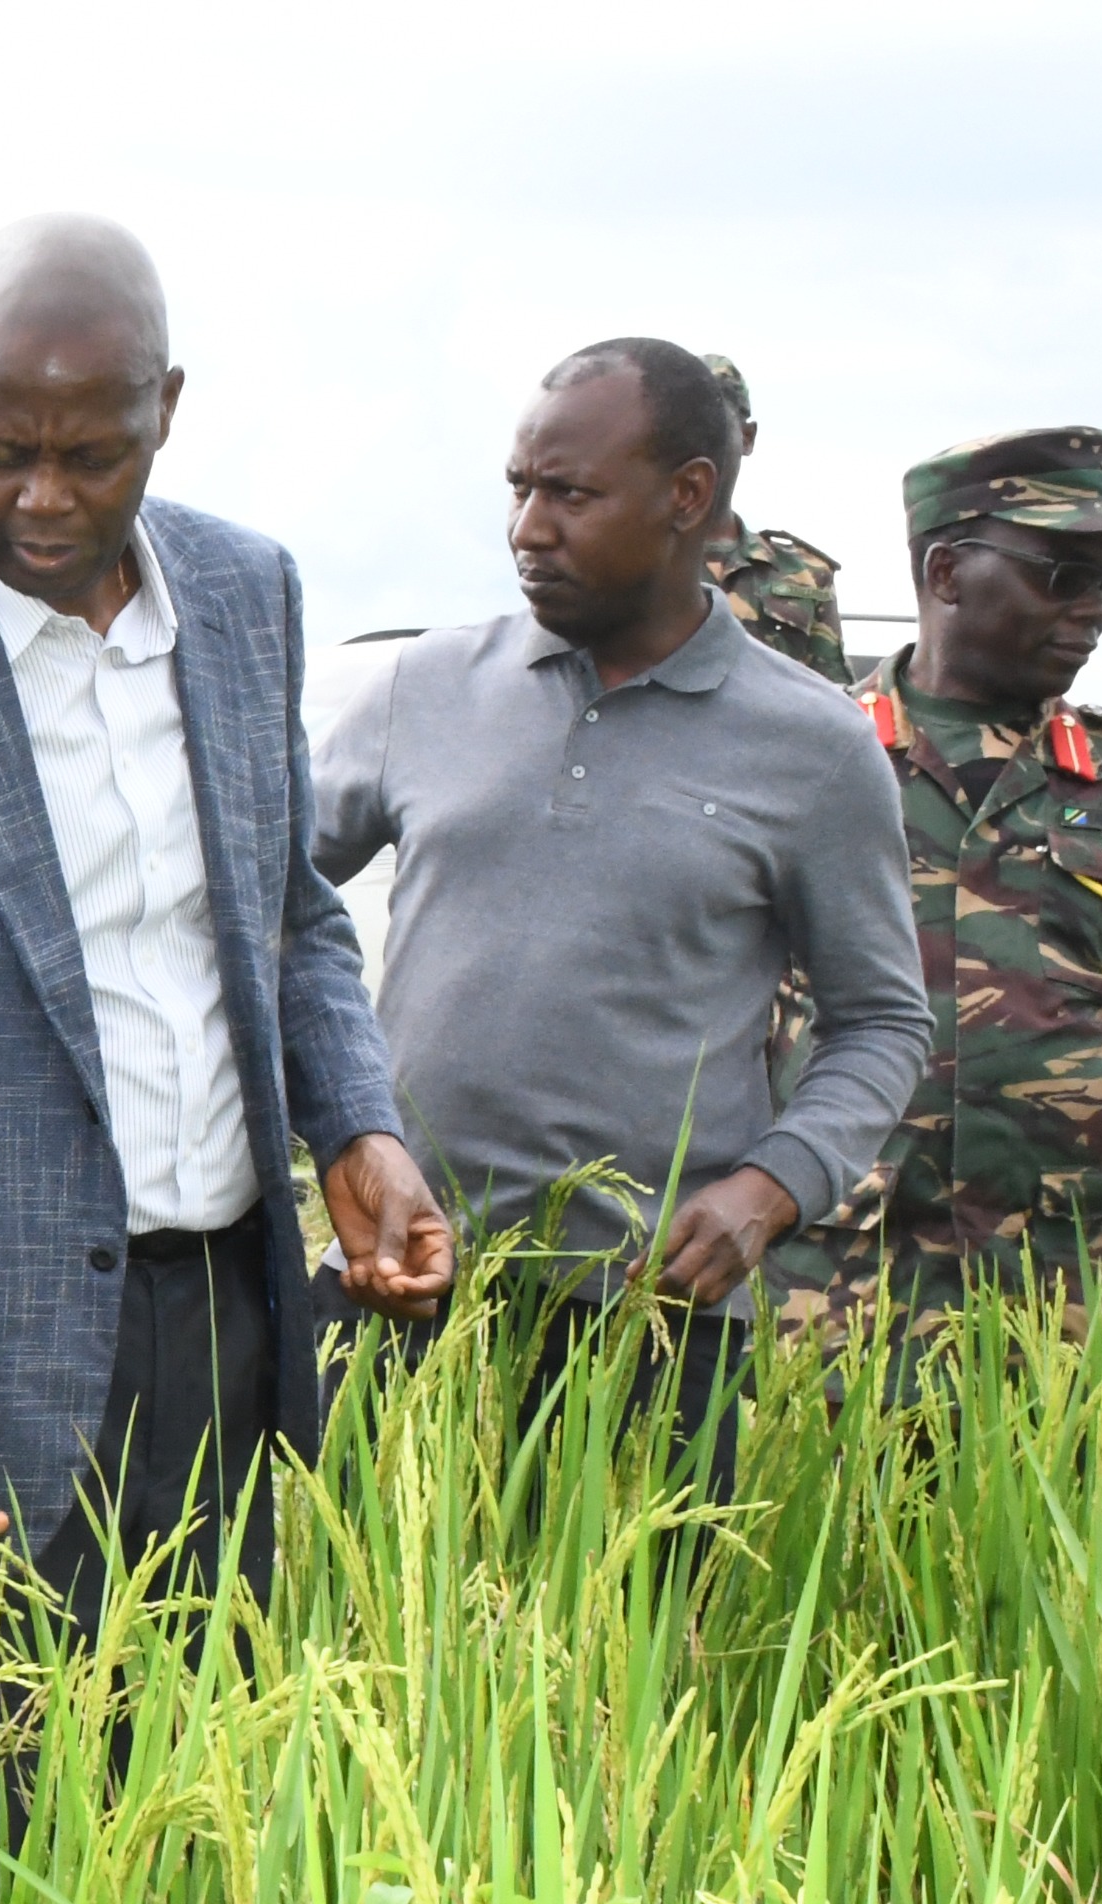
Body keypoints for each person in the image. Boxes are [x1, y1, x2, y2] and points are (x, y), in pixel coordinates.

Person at [0, 214, 454, 1646]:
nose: (40, 498)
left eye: (92, 455)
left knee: (203, 1782)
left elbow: (293, 914)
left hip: (231, 1322)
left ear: (167, 411)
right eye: (1, 449)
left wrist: (358, 1125)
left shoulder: (248, 598)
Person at [312, 338, 929, 1495]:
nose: (526, 528)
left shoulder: (811, 747)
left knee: (619, 1661)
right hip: (399, 1290)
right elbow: (266, 910)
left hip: (648, 1320)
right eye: (518, 487)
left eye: (571, 494)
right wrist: (336, 1122)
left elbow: (883, 1021)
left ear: (688, 497)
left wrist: (771, 1186)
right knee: (355, 1646)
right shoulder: (423, 689)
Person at [770, 429, 1102, 1369]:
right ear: (948, 571)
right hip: (835, 1282)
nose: (1092, 611)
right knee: (826, 1519)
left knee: (1094, 1520)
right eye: (1061, 576)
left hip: (1081, 1293)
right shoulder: (800, 756)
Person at [697, 354, 850, 681]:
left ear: (747, 438)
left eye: (714, 428)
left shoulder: (806, 573)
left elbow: (831, 700)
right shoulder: (632, 565)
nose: (697, 446)